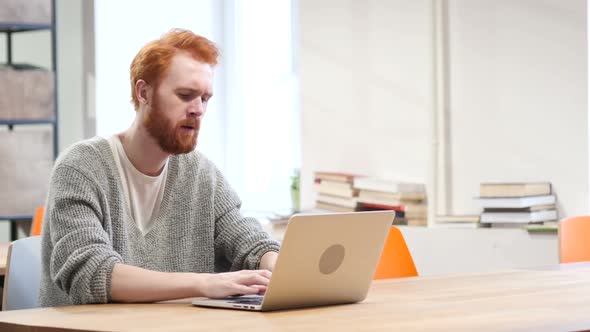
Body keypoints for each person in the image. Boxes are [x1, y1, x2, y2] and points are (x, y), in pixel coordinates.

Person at [39, 29, 280, 307]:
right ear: (144, 92)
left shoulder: (200, 173)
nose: (198, 109)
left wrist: (274, 266)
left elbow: (249, 240)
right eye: (186, 95)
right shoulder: (81, 168)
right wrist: (205, 283)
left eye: (205, 98)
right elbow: (92, 273)